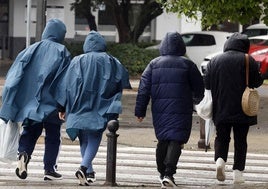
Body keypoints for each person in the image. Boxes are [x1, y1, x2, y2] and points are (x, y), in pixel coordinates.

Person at [51, 30, 131, 186]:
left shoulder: (77, 61)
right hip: (100, 105)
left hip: (78, 105)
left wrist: (61, 107)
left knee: (83, 138)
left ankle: (88, 172)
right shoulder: (111, 60)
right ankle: (84, 168)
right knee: (95, 136)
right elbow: (122, 79)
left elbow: (65, 86)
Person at [0, 18, 71, 180]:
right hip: (53, 104)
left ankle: (23, 154)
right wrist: (63, 105)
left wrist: (11, 102)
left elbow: (15, 76)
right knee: (53, 136)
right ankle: (49, 169)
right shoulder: (63, 52)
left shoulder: (30, 49)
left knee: (30, 132)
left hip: (31, 105)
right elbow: (65, 81)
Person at [135, 31, 204, 188]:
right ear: (181, 45)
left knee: (163, 139)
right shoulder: (188, 64)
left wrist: (140, 111)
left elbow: (143, 89)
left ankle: (162, 173)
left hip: (160, 108)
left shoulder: (153, 64)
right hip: (182, 107)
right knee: (176, 138)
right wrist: (196, 100)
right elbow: (199, 86)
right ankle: (169, 173)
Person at [203, 32, 264, 184]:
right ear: (245, 45)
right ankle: (237, 173)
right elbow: (257, 82)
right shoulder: (248, 59)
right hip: (243, 108)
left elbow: (207, 83)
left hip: (221, 107)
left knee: (222, 137)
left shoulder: (215, 60)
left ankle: (220, 162)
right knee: (240, 140)